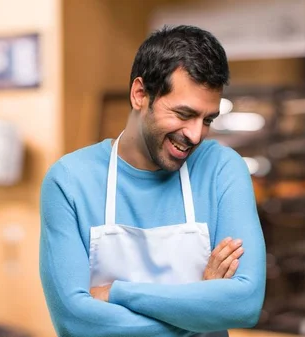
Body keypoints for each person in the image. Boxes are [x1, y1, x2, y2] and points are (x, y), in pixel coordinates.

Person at [39, 25, 266, 337]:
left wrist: (118, 294)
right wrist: (200, 309)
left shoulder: (222, 169)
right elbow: (76, 323)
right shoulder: (70, 180)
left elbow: (244, 304)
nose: (195, 134)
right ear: (140, 94)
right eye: (183, 114)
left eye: (208, 119)